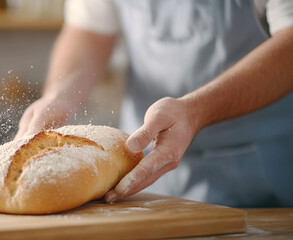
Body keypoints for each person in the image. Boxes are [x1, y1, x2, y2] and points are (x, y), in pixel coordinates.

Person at [15, 0, 293, 207]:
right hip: (145, 171)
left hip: (260, 171)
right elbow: (89, 30)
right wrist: (60, 96)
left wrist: (195, 111)